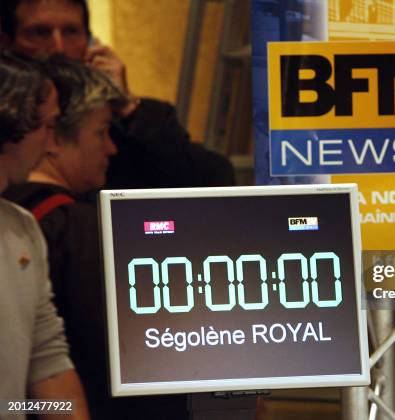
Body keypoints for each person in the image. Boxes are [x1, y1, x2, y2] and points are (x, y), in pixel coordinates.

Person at [4, 56, 188, 419]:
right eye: (101, 132)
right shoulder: (84, 232)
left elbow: (48, 365)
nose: (112, 148)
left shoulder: (24, 228)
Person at [0, 0, 235, 190]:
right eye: (40, 32)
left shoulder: (128, 120)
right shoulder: (7, 120)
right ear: (7, 43)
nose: (59, 47)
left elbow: (214, 178)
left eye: (71, 31)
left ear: (90, 42)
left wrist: (127, 108)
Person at [0, 50, 89, 420]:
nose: (52, 145)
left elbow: (46, 363)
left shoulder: (23, 230)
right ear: (10, 124)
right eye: (47, 127)